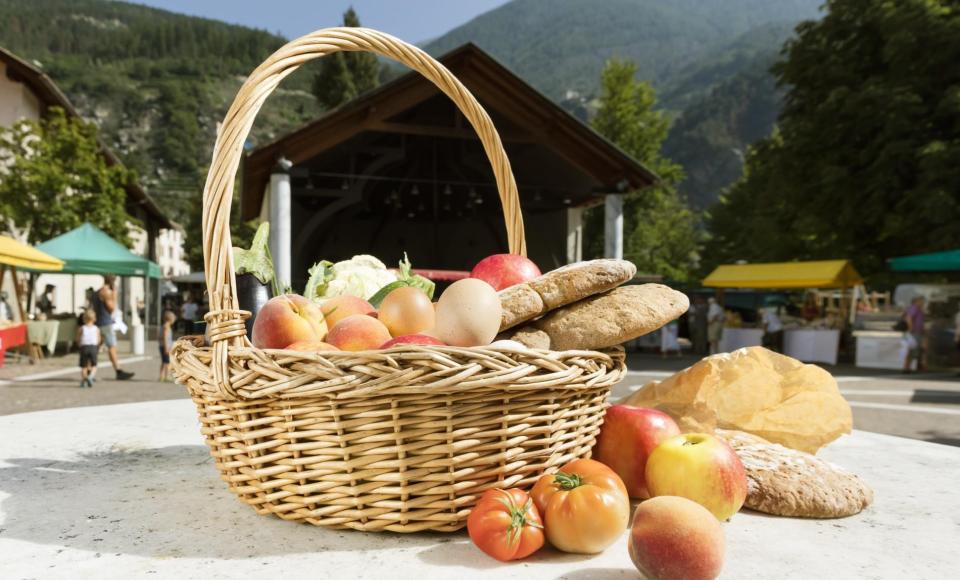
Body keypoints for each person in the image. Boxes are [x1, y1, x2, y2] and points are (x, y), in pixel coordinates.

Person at [91, 274, 134, 380]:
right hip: (106, 323)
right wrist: (114, 296)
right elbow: (111, 308)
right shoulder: (106, 292)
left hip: (98, 322)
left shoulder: (97, 292)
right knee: (112, 347)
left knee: (95, 348)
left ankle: (89, 370)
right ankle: (118, 371)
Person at [77, 309, 100, 388]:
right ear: (94, 319)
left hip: (84, 347)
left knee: (84, 366)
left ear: (84, 319)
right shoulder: (96, 328)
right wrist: (98, 346)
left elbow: (78, 338)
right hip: (93, 347)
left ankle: (84, 379)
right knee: (94, 365)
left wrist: (79, 344)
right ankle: (90, 376)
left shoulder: (82, 328)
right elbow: (98, 339)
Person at [902, 296, 926, 373]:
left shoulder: (919, 309)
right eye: (922, 301)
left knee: (918, 349)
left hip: (917, 332)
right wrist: (910, 328)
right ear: (917, 301)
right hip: (914, 332)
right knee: (912, 350)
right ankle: (906, 368)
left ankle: (912, 367)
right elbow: (909, 318)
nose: (923, 303)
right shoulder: (914, 308)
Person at [159, 310, 176, 382]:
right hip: (165, 347)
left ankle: (161, 376)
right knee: (167, 362)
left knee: (163, 362)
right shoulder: (166, 327)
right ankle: (167, 376)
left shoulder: (165, 326)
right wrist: (166, 348)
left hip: (163, 346)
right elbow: (165, 337)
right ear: (170, 319)